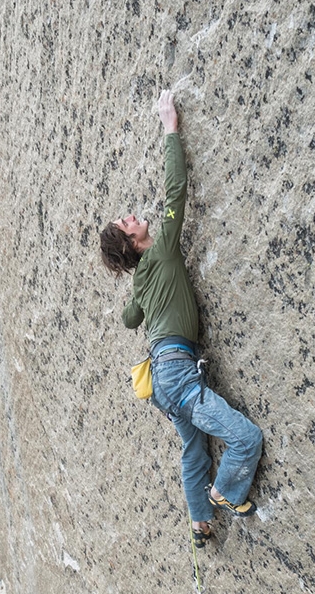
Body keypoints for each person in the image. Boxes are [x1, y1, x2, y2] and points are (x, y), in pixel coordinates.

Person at [100, 90, 263, 548]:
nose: (132, 216)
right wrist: (171, 129)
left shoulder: (141, 280)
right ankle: (225, 493)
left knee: (193, 449)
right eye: (126, 224)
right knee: (245, 439)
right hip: (177, 375)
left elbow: (131, 318)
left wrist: (139, 297)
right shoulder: (164, 245)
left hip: (164, 381)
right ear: (134, 243)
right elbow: (176, 189)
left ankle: (199, 521)